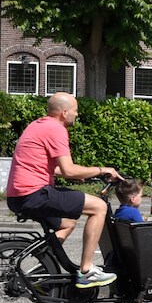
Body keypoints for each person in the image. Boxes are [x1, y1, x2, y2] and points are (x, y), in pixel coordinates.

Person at [6, 92, 123, 288]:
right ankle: (86, 271)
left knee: (67, 223)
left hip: (19, 195)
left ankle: (44, 267)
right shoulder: (56, 129)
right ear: (64, 112)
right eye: (75, 111)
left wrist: (85, 174)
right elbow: (69, 170)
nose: (77, 114)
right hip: (34, 193)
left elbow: (53, 169)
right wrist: (103, 169)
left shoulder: (37, 125)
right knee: (99, 207)